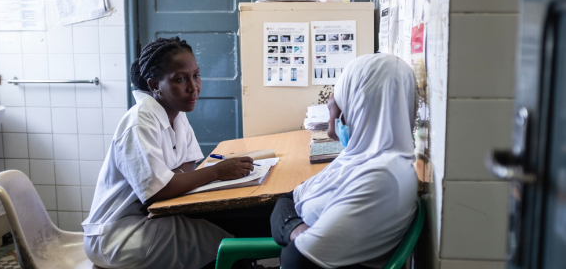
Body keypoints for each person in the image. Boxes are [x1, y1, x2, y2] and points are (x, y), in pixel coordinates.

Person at [82, 37, 256, 269]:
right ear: (154, 85)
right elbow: (158, 191)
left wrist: (171, 179)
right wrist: (216, 172)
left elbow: (187, 167)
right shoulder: (140, 121)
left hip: (154, 218)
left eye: (196, 75)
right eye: (180, 79)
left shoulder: (176, 113)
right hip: (120, 235)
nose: (193, 87)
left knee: (232, 228)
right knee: (227, 243)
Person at [270, 53, 419, 269]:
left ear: (359, 108)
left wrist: (290, 232)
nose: (333, 124)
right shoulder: (359, 160)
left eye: (335, 106)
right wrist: (297, 229)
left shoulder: (382, 178)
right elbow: (286, 200)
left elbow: (296, 260)